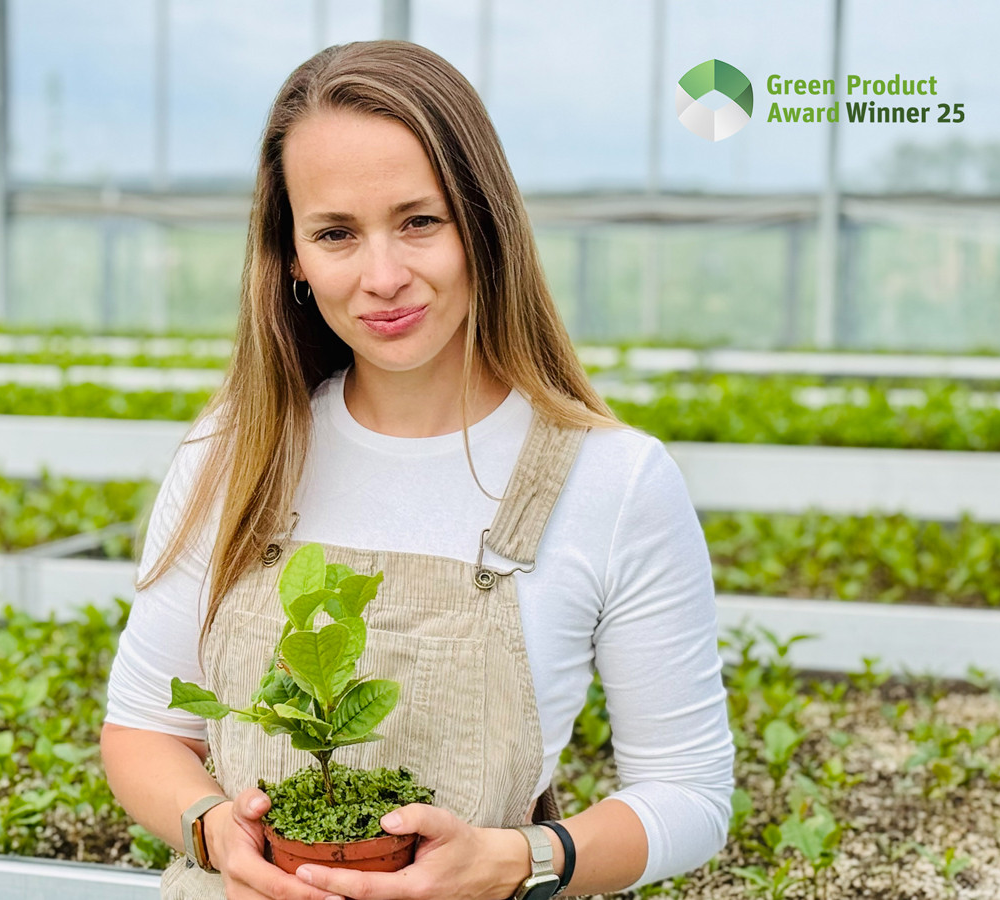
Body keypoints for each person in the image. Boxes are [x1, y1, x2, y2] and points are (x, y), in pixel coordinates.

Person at [100, 40, 734, 900]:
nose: (383, 278)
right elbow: (143, 730)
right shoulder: (234, 452)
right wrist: (216, 832)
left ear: (483, 221)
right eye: (335, 234)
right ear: (291, 257)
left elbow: (689, 793)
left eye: (419, 221)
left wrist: (517, 862)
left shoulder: (614, 481)